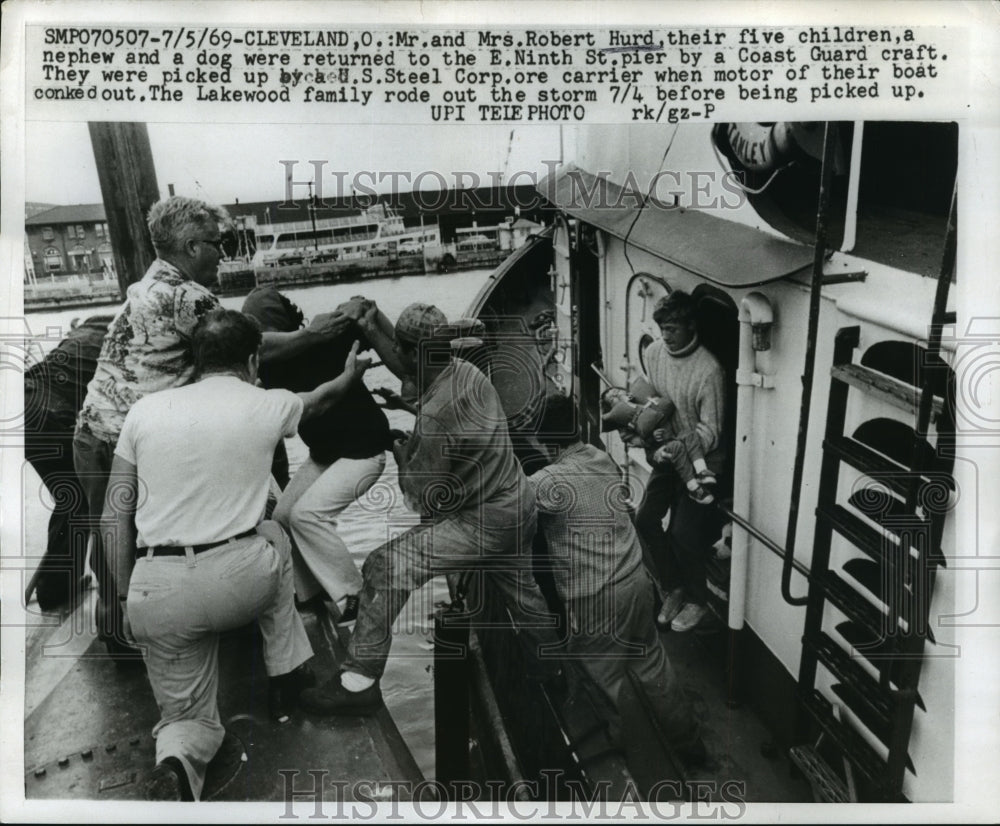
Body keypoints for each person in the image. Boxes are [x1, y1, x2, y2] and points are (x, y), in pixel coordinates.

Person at [102, 308, 373, 800]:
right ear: (252, 360)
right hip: (237, 583)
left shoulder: (142, 411)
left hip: (155, 589)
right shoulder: (266, 404)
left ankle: (178, 764)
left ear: (196, 359)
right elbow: (321, 400)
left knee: (185, 719)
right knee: (275, 531)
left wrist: (124, 599)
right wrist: (349, 374)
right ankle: (285, 673)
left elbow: (112, 518)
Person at [73, 195, 351, 657]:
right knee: (157, 532)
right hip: (134, 442)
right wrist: (315, 335)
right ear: (190, 246)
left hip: (92, 434)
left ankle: (120, 633)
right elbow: (249, 345)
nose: (223, 253)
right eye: (216, 244)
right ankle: (207, 616)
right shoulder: (188, 296)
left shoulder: (147, 284)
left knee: (111, 539)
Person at [299, 303, 558, 715]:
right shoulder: (465, 371)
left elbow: (421, 496)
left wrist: (404, 454)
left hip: (483, 519)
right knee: (523, 594)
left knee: (385, 566)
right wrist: (413, 418)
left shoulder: (437, 412)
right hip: (516, 502)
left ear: (411, 351)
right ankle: (554, 675)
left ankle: (358, 680)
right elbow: (444, 411)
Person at [529, 393, 704, 760]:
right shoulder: (600, 458)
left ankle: (628, 749)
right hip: (637, 582)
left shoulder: (545, 482)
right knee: (652, 662)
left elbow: (505, 519)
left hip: (595, 600)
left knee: (603, 676)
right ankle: (688, 743)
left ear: (541, 439)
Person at [242, 287, 393, 623]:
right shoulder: (263, 367)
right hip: (325, 454)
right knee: (281, 517)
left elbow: (366, 312)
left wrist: (365, 310)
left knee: (306, 515)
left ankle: (355, 595)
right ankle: (311, 595)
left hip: (364, 452)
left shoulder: (325, 339)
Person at [634, 291, 726, 633]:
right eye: (662, 328)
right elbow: (655, 400)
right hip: (667, 453)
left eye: (672, 328)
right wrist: (653, 433)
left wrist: (673, 448)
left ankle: (698, 601)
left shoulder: (709, 370)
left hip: (704, 461)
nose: (666, 335)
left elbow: (711, 431)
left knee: (684, 535)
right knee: (644, 520)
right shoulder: (655, 352)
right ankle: (674, 587)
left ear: (690, 325)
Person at [23, 314, 112, 611]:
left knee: (71, 498)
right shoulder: (127, 341)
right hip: (49, 410)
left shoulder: (89, 328)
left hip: (23, 403)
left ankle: (56, 583)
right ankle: (56, 587)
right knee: (82, 497)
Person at [600, 375, 717, 504]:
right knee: (676, 448)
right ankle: (694, 489)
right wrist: (651, 437)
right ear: (612, 409)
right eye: (612, 399)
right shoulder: (623, 425)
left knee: (689, 435)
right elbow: (635, 441)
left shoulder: (641, 397)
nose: (617, 395)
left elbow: (663, 405)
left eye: (617, 391)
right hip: (655, 451)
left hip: (672, 435)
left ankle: (702, 471)